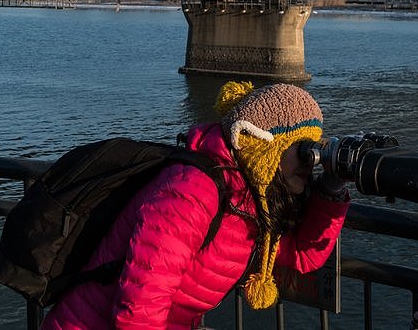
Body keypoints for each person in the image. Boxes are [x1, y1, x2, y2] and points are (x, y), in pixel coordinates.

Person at [42, 80, 349, 329]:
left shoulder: (250, 198)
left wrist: (332, 188)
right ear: (262, 144)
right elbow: (141, 305)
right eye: (301, 148)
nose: (311, 162)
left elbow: (300, 255)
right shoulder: (193, 191)